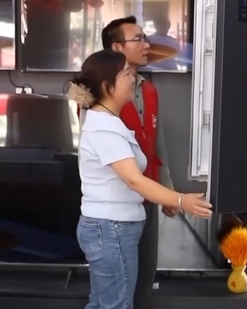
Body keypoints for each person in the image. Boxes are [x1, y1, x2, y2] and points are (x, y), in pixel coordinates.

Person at [67, 49, 212, 309]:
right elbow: (135, 180)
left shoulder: (108, 122)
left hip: (111, 229)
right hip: (111, 230)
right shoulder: (104, 128)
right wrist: (181, 200)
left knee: (104, 304)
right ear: (108, 86)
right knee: (116, 305)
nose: (133, 79)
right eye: (126, 74)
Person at [100, 16, 181, 309]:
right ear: (117, 47)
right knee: (117, 288)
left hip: (147, 199)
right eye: (138, 39)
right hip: (116, 207)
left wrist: (167, 190)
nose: (147, 45)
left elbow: (158, 146)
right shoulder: (100, 96)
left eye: (145, 38)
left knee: (144, 276)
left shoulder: (148, 89)